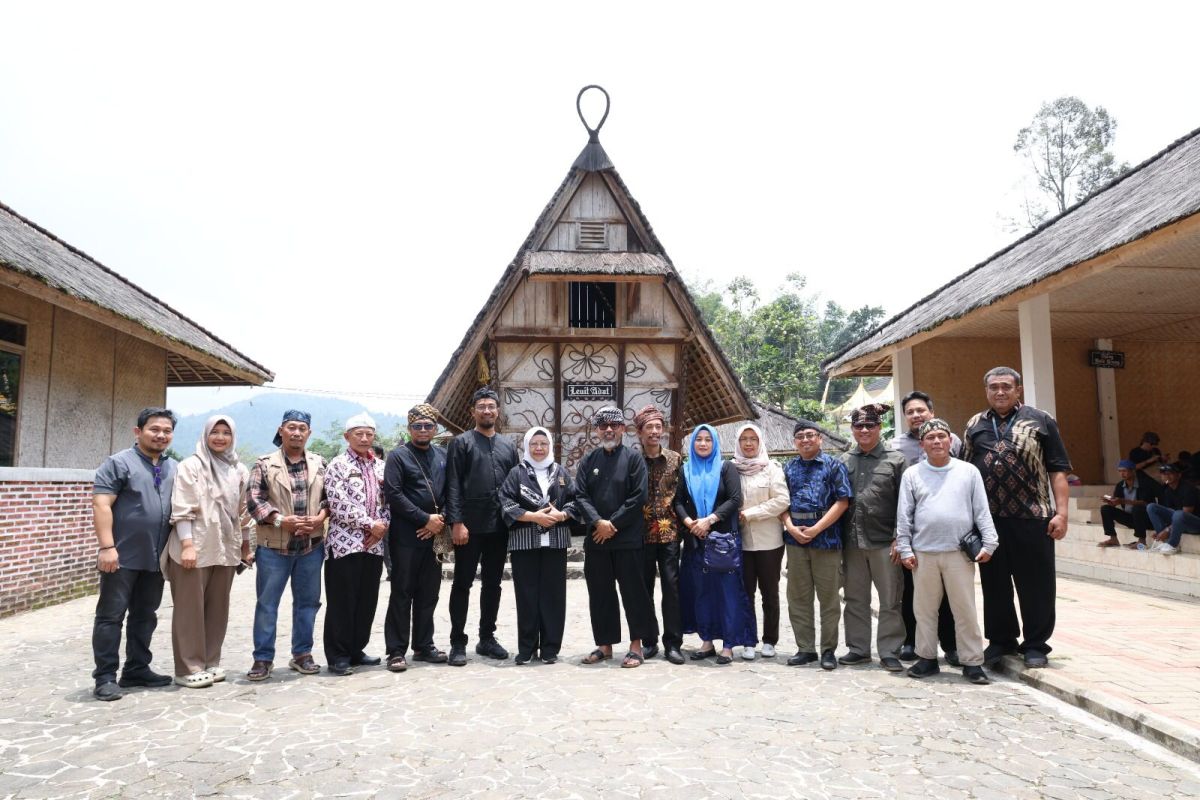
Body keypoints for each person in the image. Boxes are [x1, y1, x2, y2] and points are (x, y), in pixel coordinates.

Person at [961, 367, 1071, 669]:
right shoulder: (975, 424)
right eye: (994, 387)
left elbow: (1058, 470)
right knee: (994, 584)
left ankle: (1035, 644)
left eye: (1006, 386)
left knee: (1036, 585)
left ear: (1018, 389)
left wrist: (1061, 514)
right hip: (989, 521)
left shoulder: (1040, 420)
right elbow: (965, 471)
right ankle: (1001, 641)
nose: (1000, 392)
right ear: (986, 391)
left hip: (1032, 517)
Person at [896, 418, 998, 685]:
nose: (937, 441)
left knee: (964, 609)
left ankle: (972, 661)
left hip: (958, 553)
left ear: (951, 440)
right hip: (923, 554)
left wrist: (990, 542)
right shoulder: (912, 474)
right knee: (925, 610)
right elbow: (904, 515)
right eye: (931, 438)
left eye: (942, 436)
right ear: (922, 444)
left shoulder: (968, 472)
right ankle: (927, 658)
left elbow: (981, 510)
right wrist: (904, 547)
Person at [90, 407, 179, 701]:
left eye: (167, 431)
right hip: (121, 556)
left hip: (155, 559)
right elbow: (102, 505)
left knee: (145, 616)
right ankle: (104, 677)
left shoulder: (172, 467)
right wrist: (106, 547)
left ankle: (137, 669)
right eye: (155, 429)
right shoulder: (118, 463)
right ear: (138, 432)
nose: (161, 435)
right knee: (110, 617)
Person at [164, 415, 251, 688]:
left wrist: (246, 548)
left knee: (218, 608)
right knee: (189, 609)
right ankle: (188, 667)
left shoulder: (238, 470)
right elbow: (182, 508)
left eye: (226, 432)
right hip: (195, 546)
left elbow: (243, 514)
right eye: (215, 432)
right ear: (206, 435)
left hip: (225, 547)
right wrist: (188, 545)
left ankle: (211, 661)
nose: (220, 437)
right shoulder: (191, 466)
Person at [245, 410, 329, 681]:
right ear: (281, 430)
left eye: (302, 428)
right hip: (274, 546)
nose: (296, 432)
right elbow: (254, 500)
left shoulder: (319, 462)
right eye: (291, 427)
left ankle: (302, 654)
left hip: (311, 546)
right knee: (267, 604)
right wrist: (281, 520)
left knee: (308, 603)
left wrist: (320, 517)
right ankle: (262, 658)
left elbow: (330, 498)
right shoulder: (264, 463)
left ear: (309, 433)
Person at [574, 406, 655, 668]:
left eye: (614, 425)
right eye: (603, 425)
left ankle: (636, 647)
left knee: (634, 593)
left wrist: (612, 524)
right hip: (597, 540)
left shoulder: (633, 459)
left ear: (623, 428)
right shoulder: (589, 460)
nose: (609, 429)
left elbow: (638, 496)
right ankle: (605, 645)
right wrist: (598, 522)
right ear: (597, 430)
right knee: (600, 593)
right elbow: (580, 495)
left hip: (627, 539)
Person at [444, 387, 519, 666]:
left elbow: (515, 485)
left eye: (491, 406)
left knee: (493, 584)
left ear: (498, 411)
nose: (487, 411)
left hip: (499, 526)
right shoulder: (461, 443)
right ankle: (457, 642)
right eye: (481, 406)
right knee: (462, 584)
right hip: (469, 526)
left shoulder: (508, 446)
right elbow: (453, 484)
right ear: (473, 411)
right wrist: (457, 522)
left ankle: (487, 637)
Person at [676, 425, 756, 665]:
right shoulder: (686, 470)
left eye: (707, 440)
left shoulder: (725, 467)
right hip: (695, 542)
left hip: (722, 542)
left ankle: (729, 644)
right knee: (701, 592)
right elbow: (678, 500)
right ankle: (707, 640)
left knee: (727, 593)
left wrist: (709, 520)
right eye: (698, 440)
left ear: (714, 443)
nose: (702, 444)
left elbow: (734, 499)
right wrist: (691, 523)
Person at [837, 404, 907, 672]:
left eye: (870, 425)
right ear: (852, 430)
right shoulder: (843, 461)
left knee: (890, 599)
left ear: (879, 427)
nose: (864, 430)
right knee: (855, 598)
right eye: (859, 426)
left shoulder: (896, 460)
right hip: (851, 541)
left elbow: (905, 503)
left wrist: (899, 537)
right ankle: (858, 648)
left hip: (884, 541)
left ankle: (889, 650)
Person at [500, 426, 577, 664]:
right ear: (526, 446)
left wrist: (561, 515)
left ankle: (551, 648)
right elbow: (505, 501)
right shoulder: (517, 473)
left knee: (553, 596)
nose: (539, 448)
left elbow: (576, 501)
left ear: (550, 446)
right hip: (525, 543)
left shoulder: (561, 472)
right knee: (526, 595)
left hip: (555, 543)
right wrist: (535, 517)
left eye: (543, 443)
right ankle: (527, 647)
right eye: (534, 444)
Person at [892, 390, 959, 663]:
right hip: (913, 532)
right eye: (910, 412)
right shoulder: (895, 447)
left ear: (931, 411)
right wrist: (898, 536)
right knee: (911, 591)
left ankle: (951, 644)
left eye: (921, 410)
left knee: (950, 593)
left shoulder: (952, 441)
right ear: (905, 417)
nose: (916, 415)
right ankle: (911, 641)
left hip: (949, 531)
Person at [383, 404, 450, 672]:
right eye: (417, 426)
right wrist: (425, 519)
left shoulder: (443, 455)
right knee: (402, 592)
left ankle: (423, 646)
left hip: (434, 535)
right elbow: (394, 494)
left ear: (435, 429)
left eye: (428, 426)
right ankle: (396, 650)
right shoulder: (398, 456)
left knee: (429, 593)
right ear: (409, 429)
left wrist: (440, 519)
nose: (423, 430)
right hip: (406, 535)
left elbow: (452, 489)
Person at [322, 413, 389, 676]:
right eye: (358, 433)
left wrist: (382, 527)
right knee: (342, 600)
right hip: (345, 543)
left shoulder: (381, 467)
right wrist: (369, 524)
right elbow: (337, 504)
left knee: (366, 599)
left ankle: (356, 649)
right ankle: (338, 655)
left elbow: (389, 501)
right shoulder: (337, 465)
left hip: (374, 544)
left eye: (369, 434)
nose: (364, 438)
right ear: (347, 436)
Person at [781, 420, 851, 671]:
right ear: (794, 441)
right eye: (800, 436)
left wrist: (817, 529)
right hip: (795, 539)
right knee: (798, 597)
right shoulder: (788, 468)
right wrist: (790, 527)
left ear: (820, 439)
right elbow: (781, 502)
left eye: (810, 435)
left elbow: (843, 501)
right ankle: (805, 648)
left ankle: (828, 649)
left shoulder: (834, 465)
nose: (806, 440)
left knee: (829, 598)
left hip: (827, 539)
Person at [732, 422, 790, 660]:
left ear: (759, 442)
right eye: (744, 439)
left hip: (769, 542)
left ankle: (769, 640)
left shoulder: (772, 468)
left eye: (752, 439)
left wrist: (750, 514)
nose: (748, 443)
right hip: (741, 542)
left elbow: (782, 500)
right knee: (745, 593)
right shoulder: (731, 469)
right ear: (737, 443)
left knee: (769, 592)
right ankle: (748, 639)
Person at [635, 404, 685, 665]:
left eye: (658, 426)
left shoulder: (676, 459)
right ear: (639, 432)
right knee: (644, 589)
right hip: (640, 535)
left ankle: (673, 643)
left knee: (672, 588)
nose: (654, 432)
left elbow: (682, 497)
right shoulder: (632, 460)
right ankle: (649, 640)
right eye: (649, 427)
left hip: (669, 534)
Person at [1097, 459, 1159, 549]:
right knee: (1105, 509)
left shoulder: (1144, 484)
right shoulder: (1120, 485)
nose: (1122, 474)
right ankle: (1113, 538)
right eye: (1120, 471)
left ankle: (1141, 541)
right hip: (1131, 519)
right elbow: (1117, 501)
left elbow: (1145, 503)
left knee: (1137, 508)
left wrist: (1122, 501)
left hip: (1146, 520)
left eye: (1124, 471)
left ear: (1133, 471)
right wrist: (1111, 502)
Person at [1146, 462, 1200, 555]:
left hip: (1194, 523)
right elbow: (1170, 513)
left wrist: (1167, 530)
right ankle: (1165, 542)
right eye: (1163, 474)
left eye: (1170, 473)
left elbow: (1186, 514)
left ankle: (1172, 544)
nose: (1166, 476)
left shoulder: (1188, 489)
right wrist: (1163, 531)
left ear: (1179, 475)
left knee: (1179, 514)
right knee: (1151, 507)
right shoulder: (1168, 491)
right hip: (1179, 521)